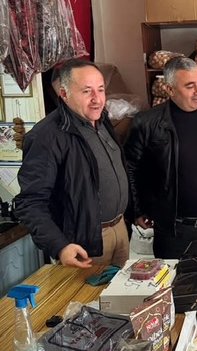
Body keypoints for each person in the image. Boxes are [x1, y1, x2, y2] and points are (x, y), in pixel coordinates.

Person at [14, 59, 130, 268]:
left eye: (100, 89)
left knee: (123, 289)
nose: (96, 99)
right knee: (89, 291)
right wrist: (60, 246)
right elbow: (30, 202)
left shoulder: (101, 120)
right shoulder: (46, 137)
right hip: (84, 241)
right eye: (86, 91)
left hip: (119, 230)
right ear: (64, 94)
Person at [124, 55, 197, 258]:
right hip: (174, 230)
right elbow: (130, 167)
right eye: (190, 86)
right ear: (170, 89)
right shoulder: (147, 122)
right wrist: (137, 209)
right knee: (174, 278)